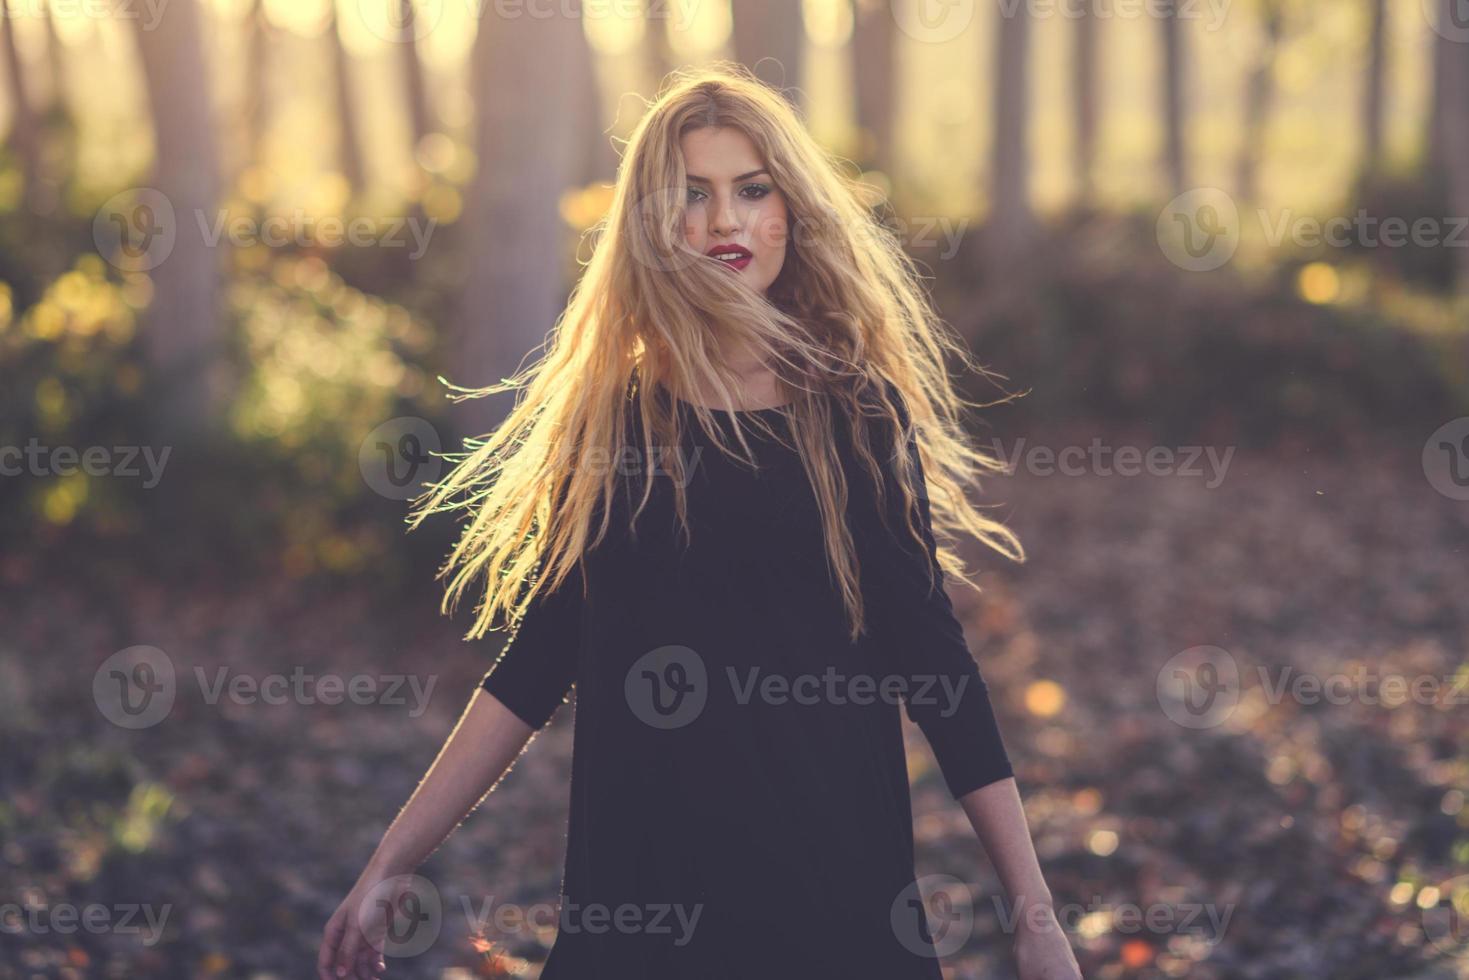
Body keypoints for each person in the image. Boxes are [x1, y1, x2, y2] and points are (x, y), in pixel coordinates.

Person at [319, 63, 1082, 980]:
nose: (725, 220)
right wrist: (390, 861)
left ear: (789, 212)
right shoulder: (616, 421)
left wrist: (1033, 915)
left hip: (832, 899)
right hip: (638, 907)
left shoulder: (854, 414)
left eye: (751, 191)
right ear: (653, 222)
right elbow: (539, 657)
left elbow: (933, 662)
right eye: (693, 195)